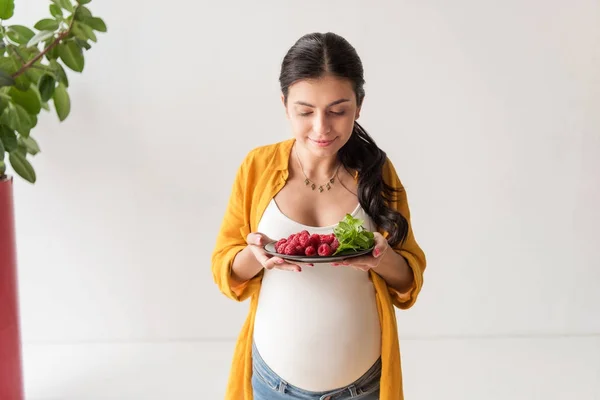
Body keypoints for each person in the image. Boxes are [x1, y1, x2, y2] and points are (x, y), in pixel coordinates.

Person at [211, 32, 426, 400]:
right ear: (284, 104)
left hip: (363, 387)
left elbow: (408, 282)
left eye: (338, 110)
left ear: (359, 106)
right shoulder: (256, 167)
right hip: (271, 383)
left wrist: (381, 257)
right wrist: (255, 255)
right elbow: (226, 271)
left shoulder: (378, 171)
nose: (321, 127)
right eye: (305, 111)